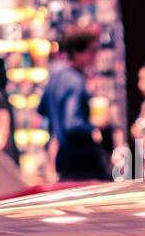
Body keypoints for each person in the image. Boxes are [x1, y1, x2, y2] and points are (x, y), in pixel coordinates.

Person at [38, 26, 108, 180]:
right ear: (77, 51)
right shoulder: (76, 81)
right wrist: (95, 128)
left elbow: (42, 109)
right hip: (80, 160)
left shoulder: (56, 76)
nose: (95, 56)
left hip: (62, 158)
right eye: (92, 50)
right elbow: (73, 123)